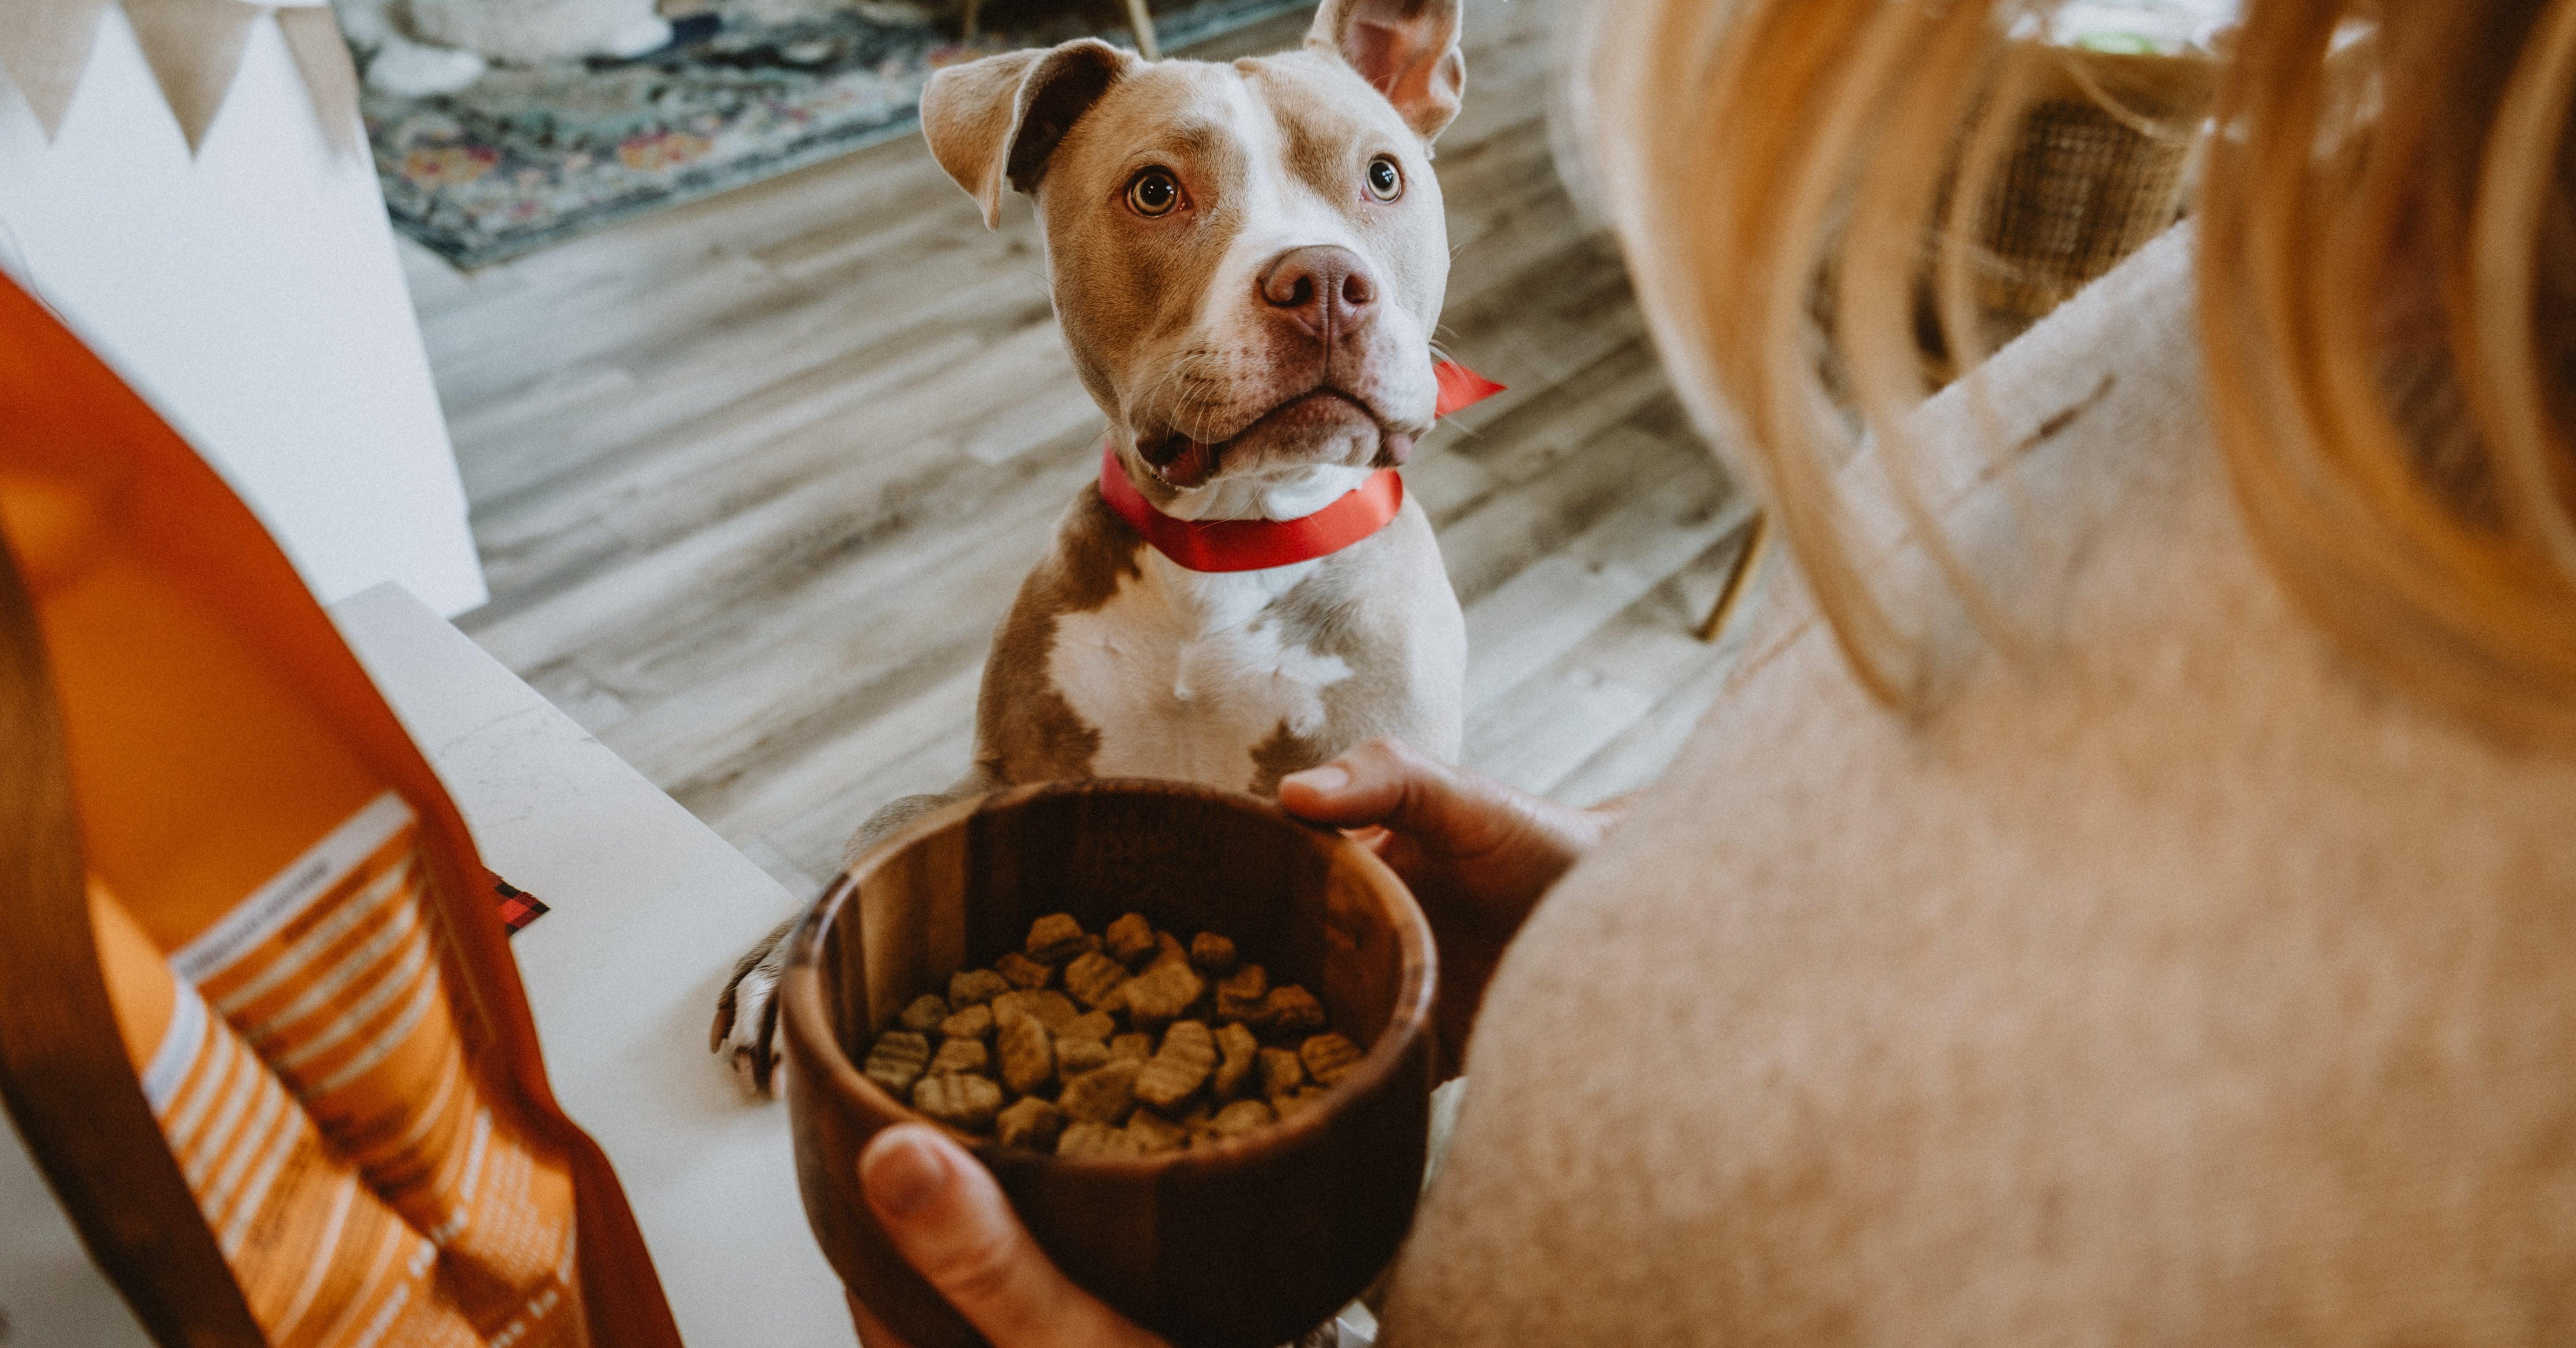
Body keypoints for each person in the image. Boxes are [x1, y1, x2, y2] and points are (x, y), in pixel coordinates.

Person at [840, 0, 2576, 1341]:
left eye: (1372, 179)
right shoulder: (2261, 273)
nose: (1321, 269)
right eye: (1162, 192)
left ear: (1426, 109)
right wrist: (1628, 878)